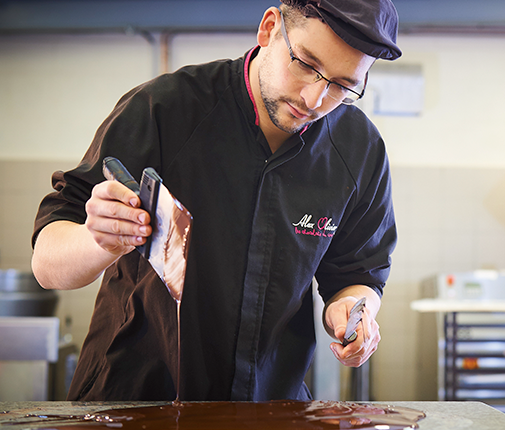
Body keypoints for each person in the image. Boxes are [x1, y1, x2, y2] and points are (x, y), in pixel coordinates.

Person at [31, 0, 400, 401]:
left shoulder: (358, 149)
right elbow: (47, 266)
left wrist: (351, 309)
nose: (315, 99)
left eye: (343, 85)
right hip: (132, 402)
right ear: (270, 28)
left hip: (270, 410)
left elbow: (357, 275)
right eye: (306, 64)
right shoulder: (165, 110)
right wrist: (96, 239)